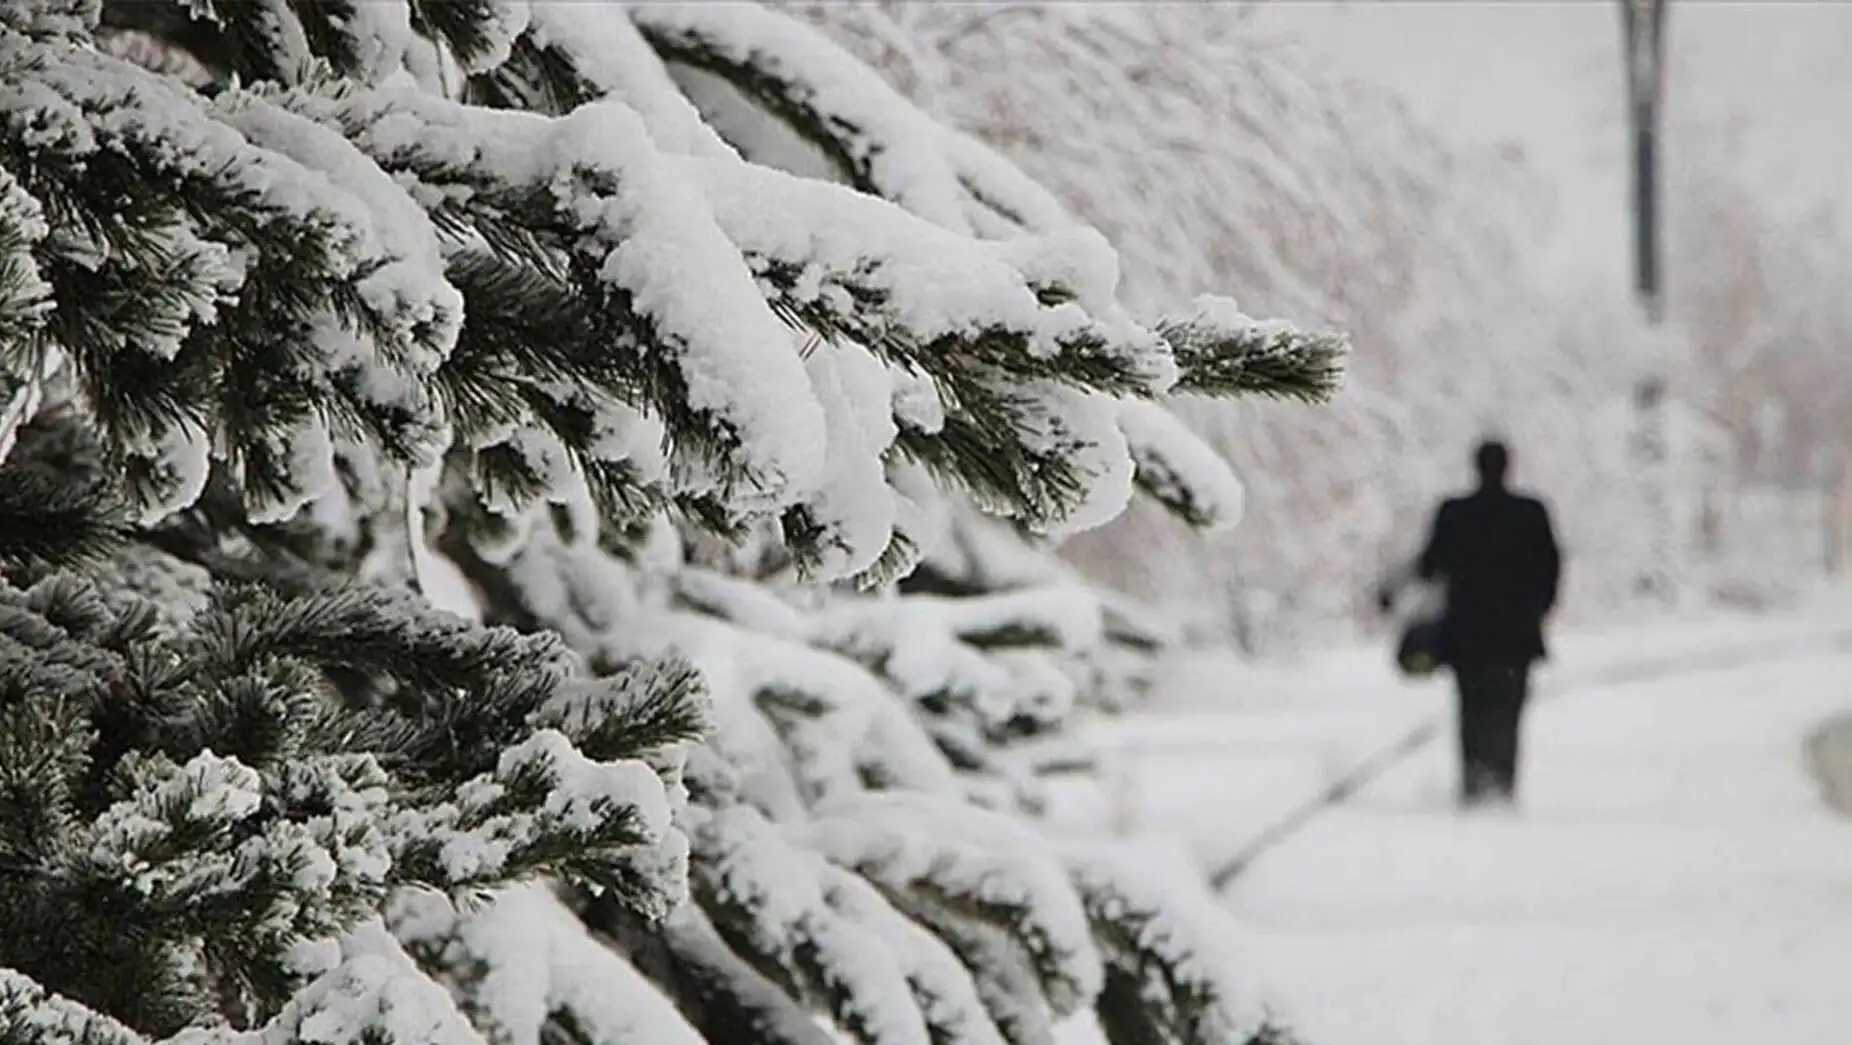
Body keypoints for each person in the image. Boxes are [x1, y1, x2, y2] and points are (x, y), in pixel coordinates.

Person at [1379, 440, 1561, 807]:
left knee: (1472, 710)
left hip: (1469, 635)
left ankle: (1474, 784)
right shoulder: (1530, 513)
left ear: (1475, 467)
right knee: (1508, 712)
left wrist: (1392, 591)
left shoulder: (1455, 513)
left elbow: (1430, 564)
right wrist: (1538, 609)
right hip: (1516, 636)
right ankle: (1502, 785)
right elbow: (1550, 567)